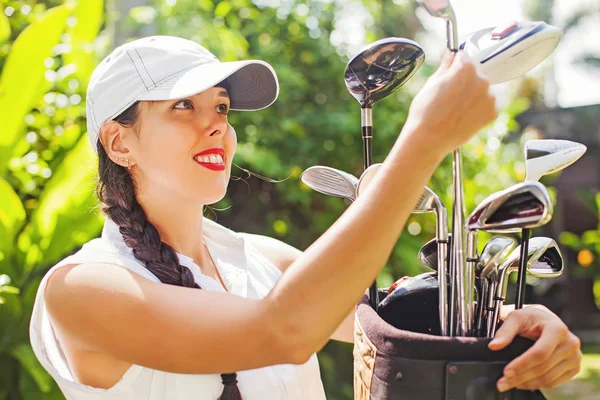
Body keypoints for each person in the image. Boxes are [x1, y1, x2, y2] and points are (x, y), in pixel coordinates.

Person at [29, 35, 582, 400]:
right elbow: (284, 330)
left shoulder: (263, 259)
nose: (216, 124)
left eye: (220, 106)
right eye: (183, 106)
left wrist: (521, 321)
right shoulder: (82, 288)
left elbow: (400, 330)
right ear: (119, 143)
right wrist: (422, 143)